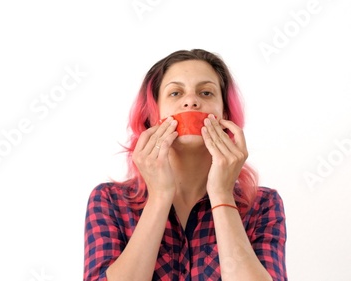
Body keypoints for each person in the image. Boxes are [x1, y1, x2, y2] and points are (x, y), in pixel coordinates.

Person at [83, 49, 287, 281]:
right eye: (175, 93)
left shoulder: (263, 205)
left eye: (206, 92)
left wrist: (221, 195)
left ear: (225, 116)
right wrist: (160, 196)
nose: (191, 101)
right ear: (152, 117)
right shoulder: (109, 201)